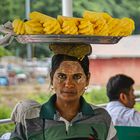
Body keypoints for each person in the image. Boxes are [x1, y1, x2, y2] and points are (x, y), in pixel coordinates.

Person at [10, 44, 117, 140]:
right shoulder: (30, 117)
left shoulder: (101, 117)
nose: (68, 84)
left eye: (77, 77)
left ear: (87, 79)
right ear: (52, 78)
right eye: (62, 76)